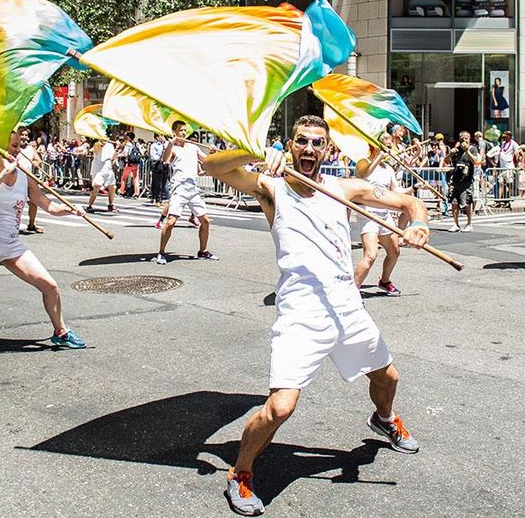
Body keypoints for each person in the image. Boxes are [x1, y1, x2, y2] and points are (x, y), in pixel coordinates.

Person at [202, 115, 429, 516]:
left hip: (346, 302)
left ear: (328, 149)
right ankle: (240, 472)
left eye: (317, 143)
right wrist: (255, 153)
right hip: (301, 310)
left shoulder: (344, 188)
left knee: (388, 377)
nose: (309, 149)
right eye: (301, 141)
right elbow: (213, 167)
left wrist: (419, 225)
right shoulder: (270, 187)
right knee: (281, 408)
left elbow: (409, 202)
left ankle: (384, 419)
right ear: (290, 146)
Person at [0, 133, 87, 369]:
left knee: (50, 285)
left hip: (11, 242)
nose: (18, 149)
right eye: (14, 146)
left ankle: (61, 331)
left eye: (19, 146)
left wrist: (71, 210)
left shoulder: (25, 176)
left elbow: (48, 206)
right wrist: (5, 172)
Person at [153, 120, 216, 265]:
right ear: (174, 132)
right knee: (170, 222)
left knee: (205, 220)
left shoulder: (192, 147)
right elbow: (165, 160)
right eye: (181, 130)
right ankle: (161, 252)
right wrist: (170, 143)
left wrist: (212, 152)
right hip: (179, 188)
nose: (183, 133)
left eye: (184, 130)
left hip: (193, 188)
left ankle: (203, 251)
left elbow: (206, 161)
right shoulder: (173, 148)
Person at [353, 137, 405, 296]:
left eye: (389, 142)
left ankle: (384, 280)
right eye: (384, 141)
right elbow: (362, 176)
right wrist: (379, 157)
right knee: (370, 255)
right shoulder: (363, 162)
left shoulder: (388, 168)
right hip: (367, 214)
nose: (388, 144)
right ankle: (351, 291)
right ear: (373, 144)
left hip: (384, 215)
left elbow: (397, 192)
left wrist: (415, 188)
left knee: (394, 251)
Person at [446, 131, 478, 232]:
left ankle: (469, 223)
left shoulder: (472, 149)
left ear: (469, 139)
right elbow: (446, 161)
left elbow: (475, 161)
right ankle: (455, 223)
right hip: (455, 178)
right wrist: (450, 154)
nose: (463, 140)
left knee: (466, 202)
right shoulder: (456, 150)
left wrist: (467, 151)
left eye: (466, 138)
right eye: (462, 138)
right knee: (454, 202)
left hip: (466, 180)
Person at [17, 128, 44, 234]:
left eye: (26, 135)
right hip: (16, 178)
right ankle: (12, 225)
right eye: (22, 135)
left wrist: (36, 163)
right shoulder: (15, 148)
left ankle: (31, 225)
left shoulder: (30, 148)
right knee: (16, 203)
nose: (24, 137)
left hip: (28, 178)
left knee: (33, 203)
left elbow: (38, 159)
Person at [85, 137, 117, 212]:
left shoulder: (110, 145)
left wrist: (118, 149)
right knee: (97, 186)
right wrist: (101, 144)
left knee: (112, 187)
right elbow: (95, 150)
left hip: (108, 168)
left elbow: (113, 157)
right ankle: (90, 205)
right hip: (98, 169)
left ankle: (111, 205)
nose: (105, 140)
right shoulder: (97, 144)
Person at [494, 130, 519, 203]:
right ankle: (498, 200)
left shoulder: (513, 143)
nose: (504, 137)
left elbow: (518, 150)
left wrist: (517, 161)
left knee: (509, 183)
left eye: (505, 136)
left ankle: (509, 199)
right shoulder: (503, 143)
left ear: (509, 136)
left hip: (509, 167)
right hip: (502, 167)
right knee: (500, 183)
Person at [118, 133, 143, 198]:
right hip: (136, 163)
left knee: (123, 178)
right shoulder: (137, 144)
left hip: (129, 163)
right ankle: (137, 193)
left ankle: (121, 191)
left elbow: (125, 154)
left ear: (129, 137)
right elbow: (141, 153)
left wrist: (118, 155)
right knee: (136, 178)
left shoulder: (128, 144)